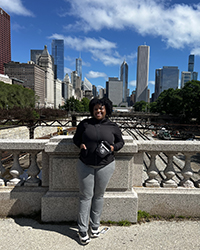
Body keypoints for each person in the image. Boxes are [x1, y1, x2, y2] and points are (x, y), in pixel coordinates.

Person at [73, 97, 124, 245]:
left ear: (106, 110)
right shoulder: (84, 124)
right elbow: (76, 139)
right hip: (85, 164)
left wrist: (114, 148)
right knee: (85, 196)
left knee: (99, 196)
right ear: (92, 111)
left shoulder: (113, 126)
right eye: (96, 109)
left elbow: (121, 142)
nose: (98, 111)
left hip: (106, 165)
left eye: (101, 108)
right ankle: (82, 229)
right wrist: (80, 144)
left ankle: (95, 226)